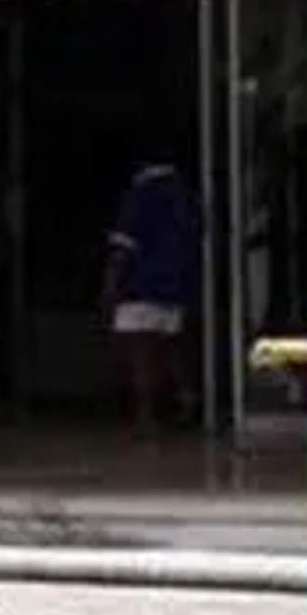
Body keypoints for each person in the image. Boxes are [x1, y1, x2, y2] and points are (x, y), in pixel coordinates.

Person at [103, 161, 201, 432]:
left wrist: (110, 286)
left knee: (141, 353)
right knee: (173, 348)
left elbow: (123, 247)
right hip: (174, 286)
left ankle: (146, 415)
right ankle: (187, 402)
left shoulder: (140, 193)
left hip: (139, 286)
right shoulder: (183, 198)